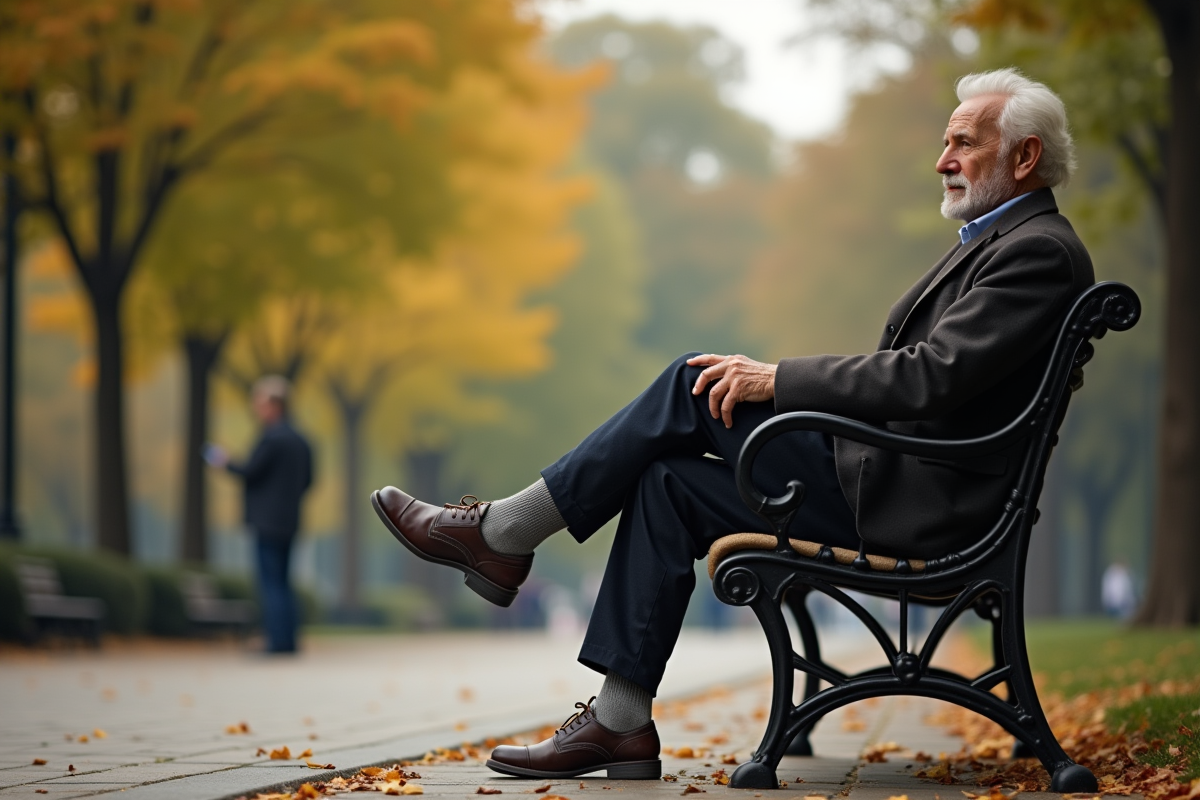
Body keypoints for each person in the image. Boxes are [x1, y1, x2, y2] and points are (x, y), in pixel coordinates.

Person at [370, 67, 1094, 779]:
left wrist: (777, 379)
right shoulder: (1005, 243)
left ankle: (503, 532)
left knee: (695, 382)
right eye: (947, 142)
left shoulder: (1037, 253)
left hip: (918, 507)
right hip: (891, 480)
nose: (943, 160)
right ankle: (618, 723)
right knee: (665, 481)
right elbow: (934, 378)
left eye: (964, 142)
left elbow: (930, 378)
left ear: (1024, 155)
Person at [206, 376, 313, 655]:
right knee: (284, 581)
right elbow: (310, 480)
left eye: (260, 403)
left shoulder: (271, 439)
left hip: (266, 520)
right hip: (290, 519)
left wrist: (223, 461)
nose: (256, 409)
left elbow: (250, 472)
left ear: (274, 406)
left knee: (270, 582)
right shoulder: (302, 441)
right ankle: (288, 641)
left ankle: (275, 642)